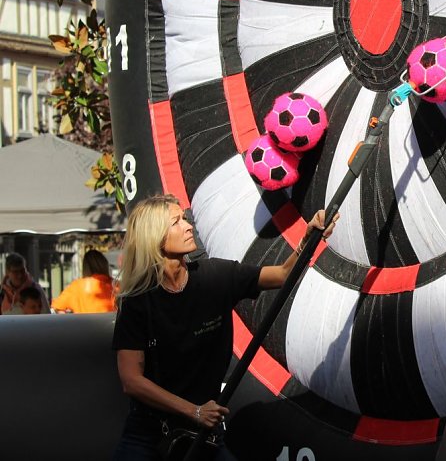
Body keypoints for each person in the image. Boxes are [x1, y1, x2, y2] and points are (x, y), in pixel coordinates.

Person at [112, 194, 338, 459]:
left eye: (185, 219)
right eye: (176, 222)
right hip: (149, 436)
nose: (188, 226)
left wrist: (310, 238)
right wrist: (194, 411)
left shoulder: (216, 276)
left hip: (203, 435)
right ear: (155, 236)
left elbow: (283, 275)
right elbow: (132, 381)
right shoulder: (137, 301)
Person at [52, 249, 116, 313]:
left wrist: (68, 322)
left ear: (86, 267)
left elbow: (58, 306)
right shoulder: (116, 285)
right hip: (112, 322)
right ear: (104, 264)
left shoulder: (77, 286)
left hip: (83, 323)